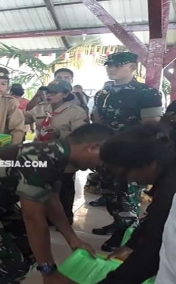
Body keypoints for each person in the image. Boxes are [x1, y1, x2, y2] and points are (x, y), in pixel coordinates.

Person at [0, 123, 115, 284]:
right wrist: (49, 272)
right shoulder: (43, 159)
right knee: (10, 265)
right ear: (93, 147)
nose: (100, 166)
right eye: (103, 160)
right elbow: (33, 219)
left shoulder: (57, 154)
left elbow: (52, 200)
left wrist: (72, 238)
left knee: (28, 249)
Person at [90, 51, 163, 252]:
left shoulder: (147, 93)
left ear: (132, 67)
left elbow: (151, 128)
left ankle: (126, 233)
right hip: (107, 153)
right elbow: (97, 122)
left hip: (130, 155)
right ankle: (117, 222)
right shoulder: (102, 94)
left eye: (117, 65)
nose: (111, 68)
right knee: (110, 193)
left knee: (127, 196)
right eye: (109, 65)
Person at [95, 123, 176, 284]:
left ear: (149, 164)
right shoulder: (168, 170)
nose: (127, 180)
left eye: (124, 174)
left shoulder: (170, 192)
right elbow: (155, 220)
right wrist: (131, 245)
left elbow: (150, 255)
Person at [24, 80, 89, 223]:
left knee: (64, 186)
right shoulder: (40, 108)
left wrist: (60, 133)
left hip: (64, 154)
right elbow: (24, 118)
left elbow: (80, 136)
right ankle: (47, 215)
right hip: (42, 153)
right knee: (44, 186)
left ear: (65, 94)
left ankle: (66, 217)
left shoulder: (76, 112)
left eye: (54, 92)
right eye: (48, 92)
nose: (49, 95)